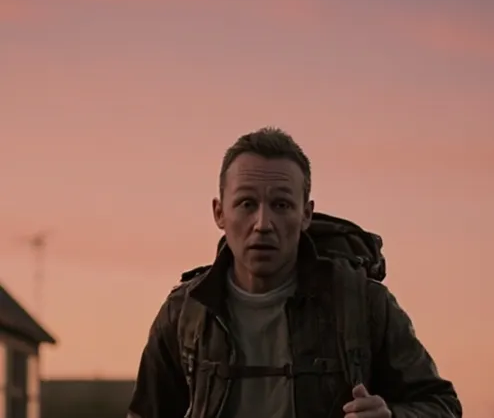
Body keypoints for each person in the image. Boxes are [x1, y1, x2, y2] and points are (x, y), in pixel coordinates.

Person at [128, 127, 462, 418]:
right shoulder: (185, 313)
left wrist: (390, 417)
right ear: (219, 213)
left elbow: (442, 406)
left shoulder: (362, 304)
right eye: (246, 204)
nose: (263, 224)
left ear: (306, 215)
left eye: (281, 205)